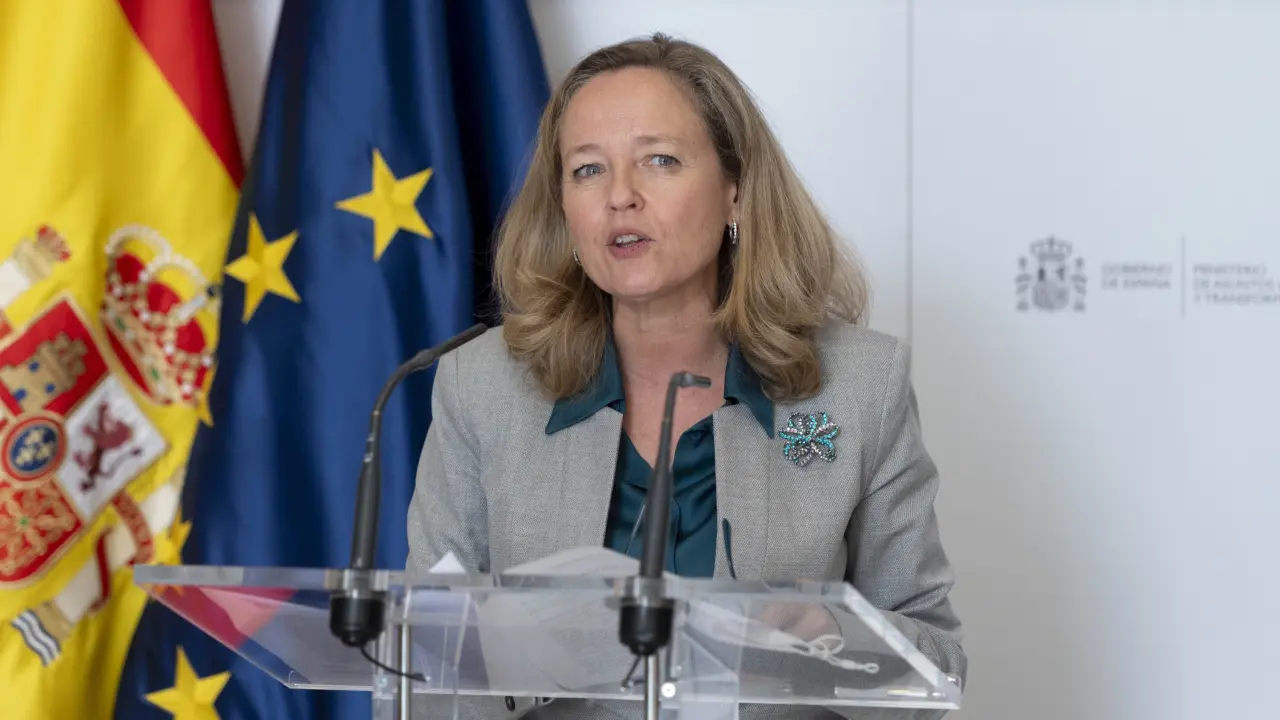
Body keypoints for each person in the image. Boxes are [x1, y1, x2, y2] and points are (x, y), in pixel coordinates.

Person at [406, 32, 965, 719]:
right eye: (587, 169)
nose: (620, 196)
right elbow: (423, 663)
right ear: (564, 208)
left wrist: (833, 632)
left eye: (660, 161)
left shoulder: (860, 386)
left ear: (736, 192)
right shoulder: (480, 388)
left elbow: (935, 669)